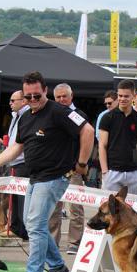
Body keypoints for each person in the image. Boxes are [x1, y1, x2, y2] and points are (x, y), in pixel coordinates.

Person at [0, 71, 94, 272]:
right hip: (35, 176)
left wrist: (82, 162)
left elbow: (88, 131)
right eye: (28, 97)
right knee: (34, 224)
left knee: (34, 224)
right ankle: (58, 267)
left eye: (36, 96)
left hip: (55, 176)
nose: (33, 100)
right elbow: (16, 148)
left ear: (45, 91)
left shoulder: (60, 112)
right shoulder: (25, 117)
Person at [49, 83, 88, 253]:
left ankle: (74, 242)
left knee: (75, 208)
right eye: (58, 97)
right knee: (53, 208)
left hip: (73, 169)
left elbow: (87, 139)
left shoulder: (79, 116)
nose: (61, 99)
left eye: (64, 96)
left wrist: (81, 164)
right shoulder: (52, 115)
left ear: (71, 96)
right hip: (55, 169)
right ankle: (52, 243)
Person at [99, 79, 137, 195]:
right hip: (112, 172)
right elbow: (102, 145)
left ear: (133, 96)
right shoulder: (107, 117)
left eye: (126, 96)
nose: (122, 99)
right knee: (111, 211)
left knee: (133, 211)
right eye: (120, 95)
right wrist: (105, 171)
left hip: (134, 173)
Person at [5, 90, 30, 240]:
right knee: (14, 197)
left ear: (23, 101)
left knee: (22, 198)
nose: (10, 103)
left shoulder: (26, 116)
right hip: (14, 160)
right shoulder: (16, 116)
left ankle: (22, 230)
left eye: (13, 100)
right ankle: (14, 227)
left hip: (23, 161)